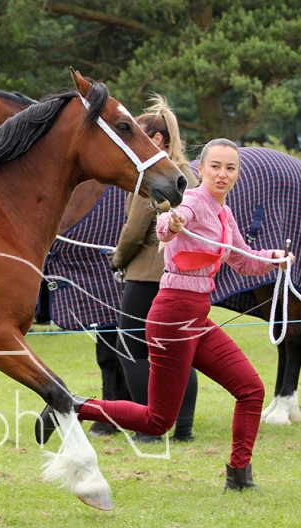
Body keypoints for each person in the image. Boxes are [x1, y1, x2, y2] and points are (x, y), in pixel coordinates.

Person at [37, 138, 295, 491]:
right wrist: (171, 224)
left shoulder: (224, 212)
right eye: (215, 166)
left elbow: (242, 260)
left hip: (197, 316)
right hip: (173, 315)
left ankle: (239, 477)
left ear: (237, 174)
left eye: (230, 168)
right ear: (200, 169)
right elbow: (168, 225)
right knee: (157, 421)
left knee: (250, 390)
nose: (222, 174)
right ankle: (74, 406)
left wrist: (274, 258)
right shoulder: (192, 201)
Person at [108, 95, 199, 443]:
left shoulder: (152, 177)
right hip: (183, 275)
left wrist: (117, 260)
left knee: (130, 347)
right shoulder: (188, 175)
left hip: (147, 274)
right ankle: (184, 428)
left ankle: (149, 426)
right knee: (179, 351)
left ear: (157, 140)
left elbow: (133, 231)